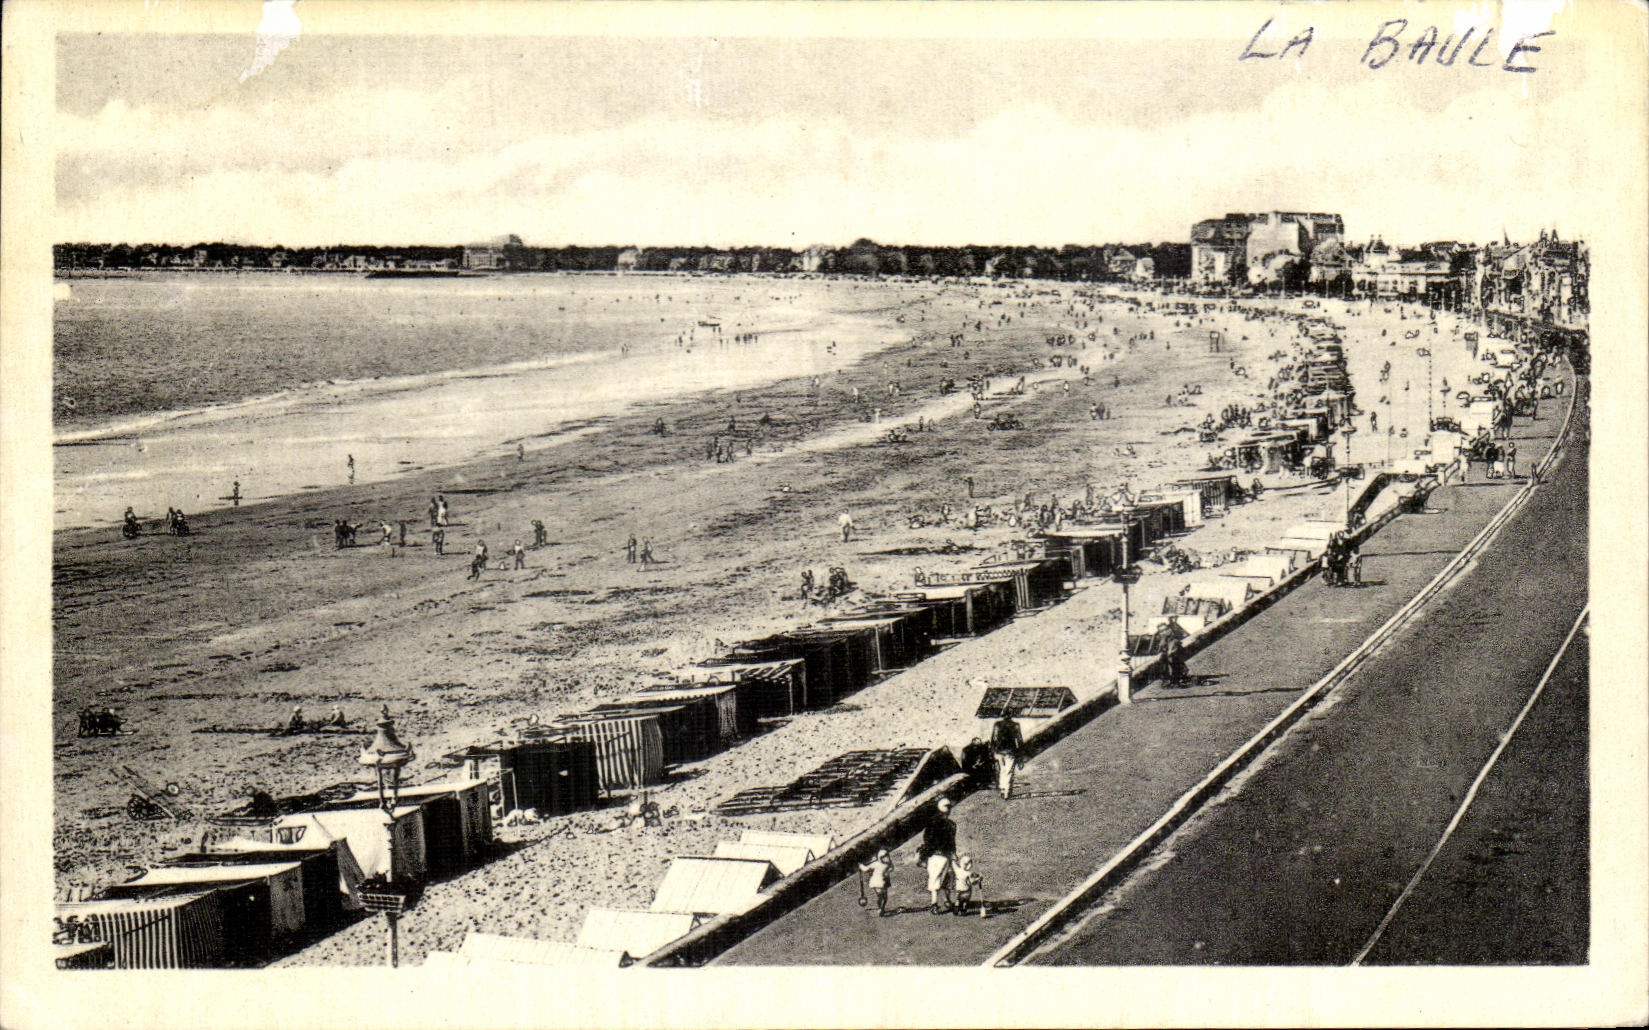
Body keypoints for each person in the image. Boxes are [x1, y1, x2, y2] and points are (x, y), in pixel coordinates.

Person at [916, 797, 958, 914]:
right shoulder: (951, 825)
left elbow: (927, 841)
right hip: (944, 855)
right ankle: (944, 902)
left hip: (936, 855)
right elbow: (951, 842)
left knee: (936, 879)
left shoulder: (932, 823)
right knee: (946, 878)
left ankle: (937, 903)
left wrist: (923, 854)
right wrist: (953, 853)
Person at [989, 713, 1023, 800]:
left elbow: (994, 738)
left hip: (999, 751)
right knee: (1008, 771)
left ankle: (1002, 789)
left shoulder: (997, 724)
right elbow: (1019, 740)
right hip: (1010, 751)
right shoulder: (1015, 725)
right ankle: (1007, 792)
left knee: (1002, 770)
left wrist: (992, 751)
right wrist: (1020, 756)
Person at [858, 849, 893, 916]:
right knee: (880, 896)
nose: (886, 858)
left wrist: (888, 871)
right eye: (884, 857)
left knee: (885, 897)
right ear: (880, 858)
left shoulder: (888, 864)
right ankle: (880, 908)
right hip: (877, 882)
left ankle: (881, 908)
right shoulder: (876, 864)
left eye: (887, 856)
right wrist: (861, 866)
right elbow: (866, 868)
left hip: (884, 883)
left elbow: (891, 868)